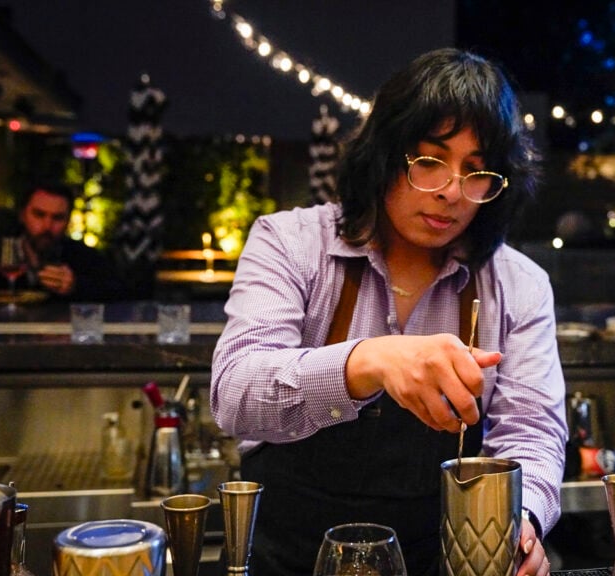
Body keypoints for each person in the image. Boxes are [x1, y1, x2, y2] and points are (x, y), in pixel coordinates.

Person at [212, 48, 566, 576]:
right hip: (286, 558)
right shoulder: (291, 243)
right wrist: (367, 362)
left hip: (437, 559)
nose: (450, 192)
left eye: (476, 172)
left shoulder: (518, 285)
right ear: (384, 155)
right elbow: (236, 394)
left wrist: (521, 518)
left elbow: (531, 430)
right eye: (429, 161)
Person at [0, 183, 125, 301]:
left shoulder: (82, 256)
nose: (47, 226)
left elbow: (121, 291)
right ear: (23, 215)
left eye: (57, 218)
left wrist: (76, 286)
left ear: (68, 221)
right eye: (39, 215)